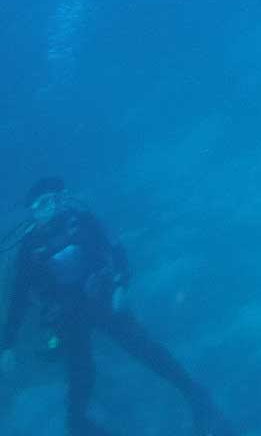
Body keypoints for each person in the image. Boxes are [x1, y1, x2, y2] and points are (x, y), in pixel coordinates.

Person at [0, 177, 235, 436]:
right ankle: (79, 425)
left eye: (53, 201)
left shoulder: (80, 221)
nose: (48, 209)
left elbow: (116, 251)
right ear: (32, 211)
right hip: (68, 317)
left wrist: (121, 285)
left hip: (103, 301)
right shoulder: (29, 248)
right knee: (82, 376)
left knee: (147, 351)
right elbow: (19, 298)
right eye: (41, 205)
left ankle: (198, 399)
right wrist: (8, 344)